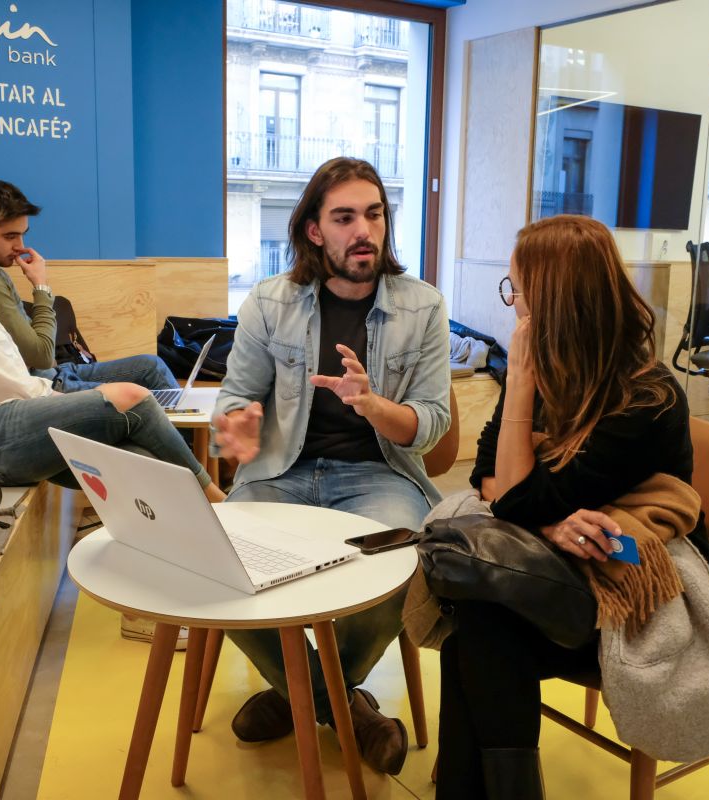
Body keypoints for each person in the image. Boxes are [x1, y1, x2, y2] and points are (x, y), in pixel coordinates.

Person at [435, 215, 709, 799]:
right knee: (478, 630)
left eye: (517, 291)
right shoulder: (550, 370)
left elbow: (514, 498)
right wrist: (550, 521)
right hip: (566, 564)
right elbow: (488, 476)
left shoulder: (646, 398)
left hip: (637, 579)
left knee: (482, 626)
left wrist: (520, 386)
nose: (512, 306)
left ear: (555, 304)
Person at [212, 157, 451, 775]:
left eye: (374, 214)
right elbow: (235, 397)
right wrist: (235, 423)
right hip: (281, 473)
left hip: (378, 476)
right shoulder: (270, 301)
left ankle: (297, 695)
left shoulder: (423, 306)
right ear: (315, 231)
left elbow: (432, 423)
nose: (363, 230)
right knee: (214, 560)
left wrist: (373, 405)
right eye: (344, 218)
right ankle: (342, 707)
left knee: (406, 561)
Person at [0, 191, 224, 504]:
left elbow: (12, 376)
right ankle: (218, 499)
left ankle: (191, 522)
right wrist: (75, 400)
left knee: (141, 458)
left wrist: (75, 402)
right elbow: (6, 383)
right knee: (132, 397)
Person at [0, 175, 179, 394]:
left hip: (56, 372)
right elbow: (42, 357)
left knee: (152, 366)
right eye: (10, 236)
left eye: (23, 235)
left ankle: (189, 424)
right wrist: (41, 287)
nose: (20, 246)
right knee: (139, 394)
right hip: (46, 383)